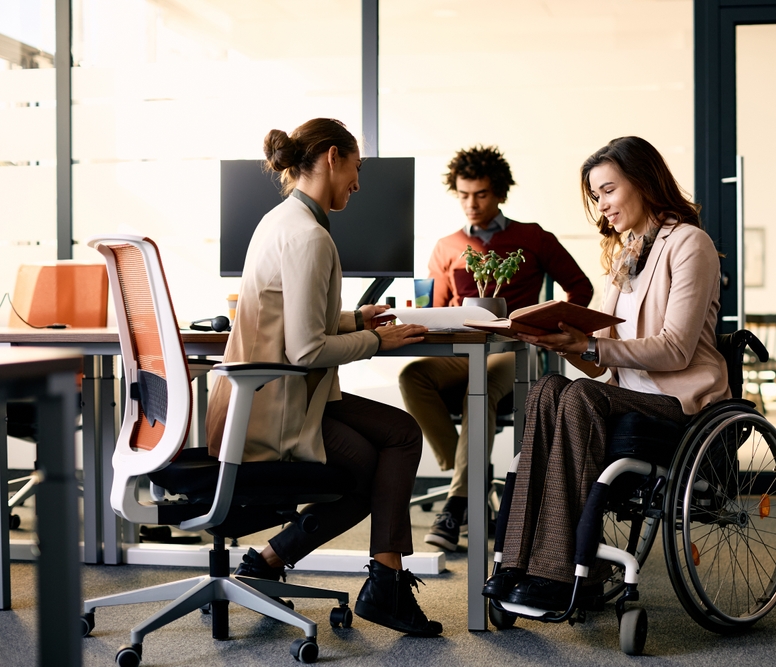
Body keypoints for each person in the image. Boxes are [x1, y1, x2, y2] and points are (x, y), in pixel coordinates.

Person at [205, 118, 442, 636]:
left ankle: (275, 563)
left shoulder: (280, 220)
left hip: (268, 393)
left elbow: (295, 322)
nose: (358, 184)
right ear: (333, 158)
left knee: (398, 437)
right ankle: (385, 584)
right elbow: (307, 347)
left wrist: (357, 320)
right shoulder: (310, 237)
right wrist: (378, 342)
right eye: (356, 169)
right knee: (378, 463)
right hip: (278, 406)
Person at [481, 136, 731, 611]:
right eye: (596, 197)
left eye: (608, 191)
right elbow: (603, 355)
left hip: (678, 403)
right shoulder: (626, 254)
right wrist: (560, 341)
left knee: (578, 399)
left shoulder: (689, 244)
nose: (602, 207)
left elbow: (676, 349)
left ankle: (559, 574)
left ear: (643, 181)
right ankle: (516, 562)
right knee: (549, 388)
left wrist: (591, 344)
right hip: (625, 394)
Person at [398, 145, 593, 551]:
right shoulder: (446, 246)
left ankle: (456, 504)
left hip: (515, 351)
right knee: (412, 375)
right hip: (461, 353)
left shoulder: (533, 237)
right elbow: (437, 306)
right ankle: (471, 482)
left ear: (500, 193)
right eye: (464, 195)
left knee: (481, 384)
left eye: (481, 194)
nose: (471, 204)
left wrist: (545, 325)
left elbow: (581, 288)